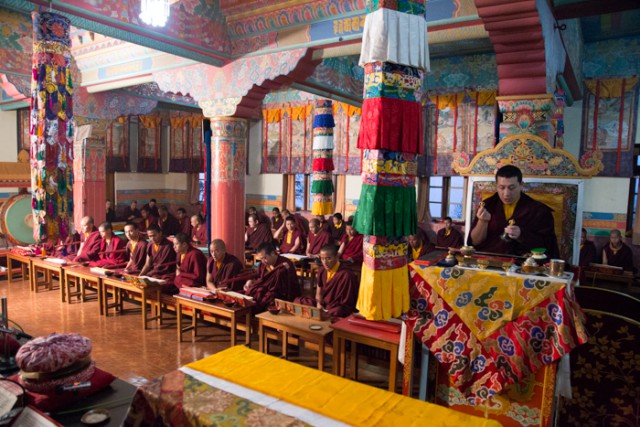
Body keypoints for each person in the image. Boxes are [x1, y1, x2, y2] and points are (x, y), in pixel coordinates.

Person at [468, 165, 559, 258]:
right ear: (497, 186)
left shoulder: (538, 210)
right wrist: (482, 221)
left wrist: (522, 235)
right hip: (490, 262)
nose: (506, 194)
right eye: (502, 188)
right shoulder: (488, 205)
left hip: (523, 265)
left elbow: (548, 246)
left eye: (511, 188)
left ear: (521, 185)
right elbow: (474, 242)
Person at [295, 244, 359, 319]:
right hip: (324, 305)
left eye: (328, 258)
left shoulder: (346, 274)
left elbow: (347, 304)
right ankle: (321, 314)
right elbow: (318, 294)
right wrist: (319, 304)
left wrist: (326, 309)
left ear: (336, 257)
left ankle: (321, 314)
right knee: (298, 300)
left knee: (338, 311)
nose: (325, 262)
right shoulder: (322, 270)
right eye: (322, 258)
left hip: (335, 307)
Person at [243, 243, 300, 312]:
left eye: (264, 258)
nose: (263, 261)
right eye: (261, 259)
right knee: (250, 294)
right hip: (265, 291)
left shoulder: (284, 265)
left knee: (265, 300)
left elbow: (287, 287)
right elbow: (259, 278)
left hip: (280, 295)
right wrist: (250, 281)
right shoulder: (263, 264)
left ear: (273, 253)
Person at [139, 225, 177, 293]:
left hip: (166, 273)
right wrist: (140, 275)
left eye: (154, 235)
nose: (152, 238)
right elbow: (147, 264)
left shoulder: (168, 245)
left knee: (163, 284)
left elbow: (164, 266)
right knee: (143, 281)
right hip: (154, 272)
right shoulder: (150, 245)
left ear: (160, 233)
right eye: (150, 236)